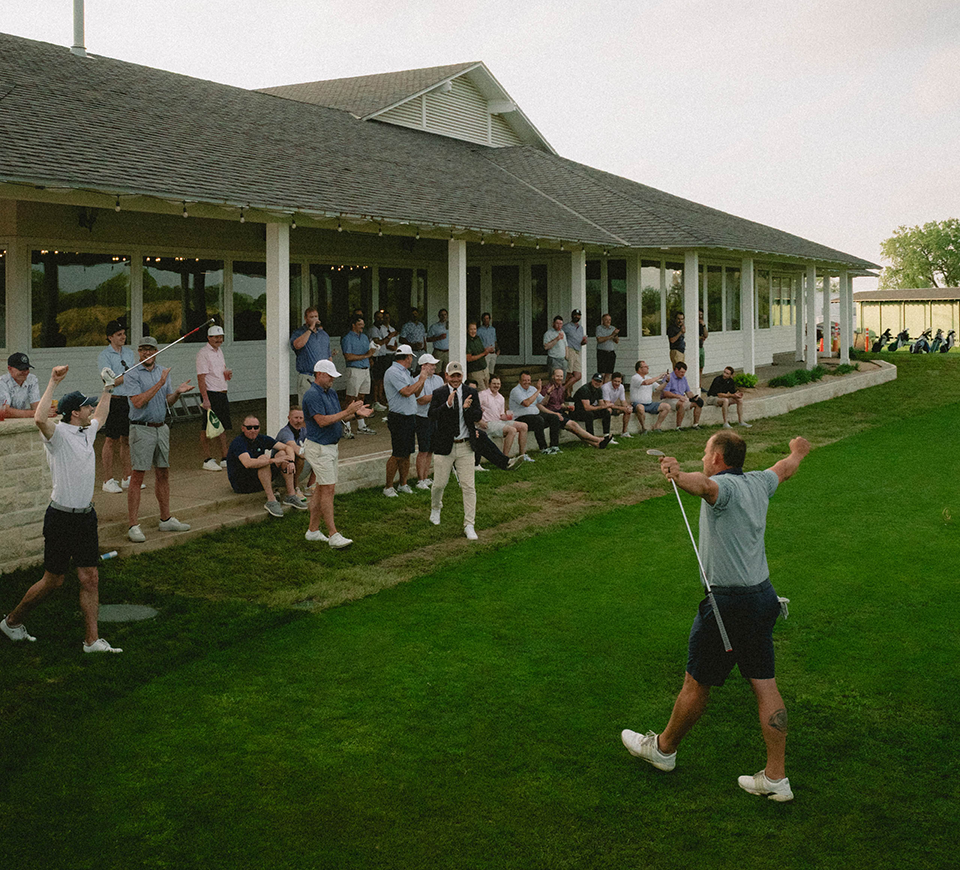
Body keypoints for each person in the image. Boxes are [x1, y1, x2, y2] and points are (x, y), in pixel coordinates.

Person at [621, 431, 812, 803]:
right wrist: (798, 451)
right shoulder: (760, 481)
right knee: (764, 684)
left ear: (719, 458)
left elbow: (704, 486)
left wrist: (678, 476)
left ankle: (663, 749)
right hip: (762, 597)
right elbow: (785, 469)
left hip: (727, 605)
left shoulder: (721, 488)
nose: (703, 456)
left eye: (706, 451)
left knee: (696, 683)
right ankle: (776, 778)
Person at [1, 365, 122, 653]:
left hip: (85, 518)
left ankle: (92, 641)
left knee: (89, 577)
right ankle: (12, 622)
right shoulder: (57, 436)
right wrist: (54, 381)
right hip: (60, 518)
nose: (90, 408)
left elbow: (101, 415)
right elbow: (40, 418)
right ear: (73, 412)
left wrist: (108, 388)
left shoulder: (86, 431)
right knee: (53, 581)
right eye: (85, 406)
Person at [124, 336, 195, 543]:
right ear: (138, 352)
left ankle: (165, 519)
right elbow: (137, 402)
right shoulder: (132, 374)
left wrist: (177, 393)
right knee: (137, 476)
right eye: (143, 349)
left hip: (161, 427)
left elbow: (167, 402)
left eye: (151, 349)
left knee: (163, 473)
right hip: (141, 428)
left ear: (157, 351)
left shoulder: (162, 370)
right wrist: (160, 383)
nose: (147, 353)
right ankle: (133, 525)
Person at [302, 359, 374, 548]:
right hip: (319, 448)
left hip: (330, 446)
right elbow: (323, 421)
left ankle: (313, 530)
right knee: (328, 489)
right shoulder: (311, 395)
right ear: (319, 374)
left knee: (321, 489)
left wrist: (356, 414)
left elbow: (338, 418)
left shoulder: (331, 393)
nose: (332, 380)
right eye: (330, 376)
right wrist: (348, 411)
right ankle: (333, 535)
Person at [428, 361, 482, 541]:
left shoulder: (471, 392)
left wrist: (466, 409)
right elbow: (432, 415)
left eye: (459, 375)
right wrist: (448, 405)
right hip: (445, 446)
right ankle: (436, 507)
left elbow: (478, 415)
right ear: (446, 376)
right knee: (439, 484)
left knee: (468, 486)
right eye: (453, 375)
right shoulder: (439, 393)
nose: (456, 379)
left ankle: (469, 524)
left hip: (466, 446)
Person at [226, 414, 302, 517]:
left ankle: (291, 495)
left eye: (256, 427)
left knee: (283, 454)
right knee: (264, 459)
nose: (253, 430)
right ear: (243, 428)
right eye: (249, 427)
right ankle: (271, 501)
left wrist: (291, 461)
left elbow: (287, 447)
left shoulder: (261, 438)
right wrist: (273, 460)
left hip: (258, 479)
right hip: (242, 483)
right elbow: (247, 463)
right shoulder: (238, 442)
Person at [97, 321, 138, 493]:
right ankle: (108, 480)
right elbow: (108, 380)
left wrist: (126, 377)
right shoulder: (104, 356)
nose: (123, 337)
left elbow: (134, 375)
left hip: (128, 400)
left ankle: (127, 477)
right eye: (119, 334)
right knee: (110, 440)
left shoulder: (129, 353)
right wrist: (126, 376)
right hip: (113, 400)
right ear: (110, 337)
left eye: (124, 334)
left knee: (127, 440)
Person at [383, 344, 428, 496]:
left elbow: (416, 392)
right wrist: (421, 379)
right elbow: (407, 391)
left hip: (409, 416)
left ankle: (403, 483)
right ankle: (388, 487)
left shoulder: (405, 372)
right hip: (399, 417)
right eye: (411, 358)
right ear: (407, 358)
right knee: (397, 453)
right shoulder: (393, 372)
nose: (411, 361)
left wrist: (421, 381)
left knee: (407, 452)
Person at [539, 367, 612, 452]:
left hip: (559, 413)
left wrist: (566, 407)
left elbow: (559, 404)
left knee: (575, 430)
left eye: (561, 376)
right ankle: (598, 440)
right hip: (551, 415)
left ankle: (596, 444)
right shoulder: (546, 388)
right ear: (553, 376)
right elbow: (542, 404)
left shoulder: (561, 388)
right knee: (574, 425)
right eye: (557, 376)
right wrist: (548, 394)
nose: (559, 378)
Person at [197, 324, 231, 471]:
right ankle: (207, 458)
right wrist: (205, 399)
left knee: (221, 426)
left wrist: (226, 374)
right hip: (211, 393)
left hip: (222, 391)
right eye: (215, 337)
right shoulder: (203, 353)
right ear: (209, 338)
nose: (218, 340)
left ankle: (225, 457)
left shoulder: (219, 351)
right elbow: (201, 378)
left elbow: (218, 372)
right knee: (207, 427)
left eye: (220, 337)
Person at [340, 314, 377, 439]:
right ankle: (347, 427)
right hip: (354, 370)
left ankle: (361, 425)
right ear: (353, 325)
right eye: (360, 325)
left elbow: (368, 353)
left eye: (363, 325)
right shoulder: (347, 338)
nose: (362, 327)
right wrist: (366, 356)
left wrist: (370, 356)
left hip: (365, 369)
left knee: (362, 397)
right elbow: (348, 356)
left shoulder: (365, 337)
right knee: (351, 399)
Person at [478, 375, 528, 461]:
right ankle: (505, 458)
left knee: (524, 426)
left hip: (499, 422)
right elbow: (475, 410)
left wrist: (508, 417)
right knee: (512, 430)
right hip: (488, 423)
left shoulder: (501, 397)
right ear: (489, 384)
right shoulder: (482, 395)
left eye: (498, 384)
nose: (496, 386)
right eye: (494, 383)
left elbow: (501, 416)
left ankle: (522, 455)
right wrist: (479, 421)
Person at [414, 353, 445, 489]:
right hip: (422, 418)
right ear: (424, 366)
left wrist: (434, 397)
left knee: (431, 449)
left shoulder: (438, 379)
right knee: (423, 450)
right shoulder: (417, 380)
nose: (434, 366)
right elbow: (420, 400)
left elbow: (442, 395)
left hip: (435, 417)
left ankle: (426, 477)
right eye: (432, 364)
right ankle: (420, 480)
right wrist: (436, 397)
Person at [290, 307, 332, 404]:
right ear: (305, 318)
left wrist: (330, 374)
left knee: (322, 407)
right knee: (306, 409)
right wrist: (310, 329)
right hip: (308, 376)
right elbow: (297, 345)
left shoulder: (324, 334)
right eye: (311, 317)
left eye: (316, 317)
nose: (314, 319)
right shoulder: (299, 332)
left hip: (323, 377)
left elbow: (328, 355)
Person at [508, 370, 549, 461]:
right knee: (538, 420)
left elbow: (544, 402)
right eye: (524, 380)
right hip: (520, 418)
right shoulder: (516, 391)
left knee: (553, 418)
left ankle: (554, 446)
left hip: (534, 415)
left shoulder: (532, 389)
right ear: (519, 381)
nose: (527, 382)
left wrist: (548, 393)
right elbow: (526, 403)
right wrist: (538, 390)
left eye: (528, 380)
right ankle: (543, 448)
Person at [275, 406, 313, 498]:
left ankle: (310, 486)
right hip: (281, 473)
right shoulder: (285, 432)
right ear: (289, 418)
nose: (299, 421)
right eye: (296, 418)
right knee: (299, 457)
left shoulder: (303, 431)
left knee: (321, 454)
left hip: (297, 470)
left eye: (301, 418)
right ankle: (295, 487)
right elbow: (294, 448)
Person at [0, 352, 49, 418]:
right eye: (21, 369)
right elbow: (4, 411)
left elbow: (36, 406)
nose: (25, 372)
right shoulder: (2, 382)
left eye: (27, 368)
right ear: (10, 369)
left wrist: (47, 410)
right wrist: (36, 413)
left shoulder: (32, 379)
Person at [630, 360, 671, 434]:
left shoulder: (649, 378)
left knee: (666, 406)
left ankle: (657, 426)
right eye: (645, 366)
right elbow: (645, 382)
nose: (648, 368)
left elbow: (659, 388)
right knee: (640, 408)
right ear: (639, 369)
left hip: (649, 404)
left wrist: (666, 381)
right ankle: (644, 428)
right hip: (638, 403)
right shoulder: (635, 377)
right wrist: (659, 376)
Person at [571, 373, 614, 439]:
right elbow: (587, 408)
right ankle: (591, 437)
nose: (597, 383)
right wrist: (603, 407)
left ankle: (606, 435)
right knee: (589, 414)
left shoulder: (598, 390)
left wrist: (606, 407)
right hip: (578, 411)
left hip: (589, 410)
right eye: (596, 381)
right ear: (592, 380)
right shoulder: (585, 389)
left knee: (606, 412)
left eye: (599, 381)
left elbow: (601, 403)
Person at [369, 309, 396, 411]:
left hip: (383, 356)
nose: (381, 319)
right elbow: (378, 343)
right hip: (376, 357)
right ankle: (375, 401)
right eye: (378, 318)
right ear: (374, 318)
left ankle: (380, 399)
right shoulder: (373, 329)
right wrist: (389, 336)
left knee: (382, 379)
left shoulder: (380, 328)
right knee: (377, 380)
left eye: (382, 318)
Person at [662, 361, 702, 430]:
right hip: (669, 399)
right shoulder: (668, 378)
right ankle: (678, 426)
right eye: (681, 372)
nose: (683, 374)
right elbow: (666, 393)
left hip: (681, 398)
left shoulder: (683, 378)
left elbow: (688, 391)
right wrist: (679, 396)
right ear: (676, 370)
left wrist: (693, 397)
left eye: (684, 372)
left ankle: (695, 424)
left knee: (698, 403)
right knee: (682, 404)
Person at [562, 308, 587, 396]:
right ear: (572, 316)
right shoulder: (566, 326)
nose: (577, 316)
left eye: (578, 315)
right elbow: (561, 338)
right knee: (569, 373)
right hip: (570, 350)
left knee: (578, 375)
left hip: (577, 351)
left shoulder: (581, 328)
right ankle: (567, 393)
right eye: (575, 315)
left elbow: (581, 341)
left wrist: (584, 342)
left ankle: (563, 389)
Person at [601, 372, 634, 438]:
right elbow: (607, 404)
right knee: (609, 410)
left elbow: (623, 401)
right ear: (611, 380)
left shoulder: (621, 387)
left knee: (628, 410)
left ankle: (624, 432)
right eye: (615, 381)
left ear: (621, 381)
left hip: (613, 405)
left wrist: (627, 407)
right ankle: (607, 433)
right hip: (603, 406)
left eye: (619, 381)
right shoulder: (605, 387)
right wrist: (622, 408)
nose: (617, 383)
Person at [466, 321, 491, 391]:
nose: (473, 331)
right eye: (471, 329)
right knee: (482, 393)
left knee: (489, 391)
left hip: (484, 368)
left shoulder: (478, 338)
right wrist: (483, 353)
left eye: (475, 329)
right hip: (475, 372)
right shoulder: (467, 341)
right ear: (467, 330)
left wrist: (488, 350)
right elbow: (469, 358)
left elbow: (482, 351)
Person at [543, 315, 567, 386]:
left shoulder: (563, 332)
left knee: (562, 380)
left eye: (561, 323)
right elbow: (546, 347)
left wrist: (567, 357)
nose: (559, 325)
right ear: (553, 323)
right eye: (557, 323)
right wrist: (557, 339)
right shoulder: (548, 333)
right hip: (554, 359)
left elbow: (566, 345)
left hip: (563, 359)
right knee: (554, 380)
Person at [595, 313, 620, 382]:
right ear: (602, 320)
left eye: (609, 320)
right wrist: (611, 335)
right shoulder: (599, 328)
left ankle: (606, 390)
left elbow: (617, 341)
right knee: (602, 373)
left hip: (611, 352)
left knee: (609, 374)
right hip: (602, 352)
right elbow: (599, 340)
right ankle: (600, 389)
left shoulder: (612, 328)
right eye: (606, 320)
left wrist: (615, 335)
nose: (608, 321)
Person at [477, 312, 498, 381]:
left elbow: (494, 340)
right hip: (486, 353)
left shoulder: (493, 329)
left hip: (493, 353)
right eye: (485, 319)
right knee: (485, 372)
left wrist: (497, 350)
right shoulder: (479, 330)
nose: (486, 320)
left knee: (491, 372)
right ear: (482, 320)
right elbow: (478, 342)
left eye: (488, 318)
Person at [698, 308, 709, 382]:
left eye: (701, 315)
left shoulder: (701, 325)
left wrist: (704, 325)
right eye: (699, 315)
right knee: (697, 367)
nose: (700, 316)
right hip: (695, 348)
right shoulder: (692, 324)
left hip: (701, 347)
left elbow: (706, 335)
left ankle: (700, 385)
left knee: (701, 367)